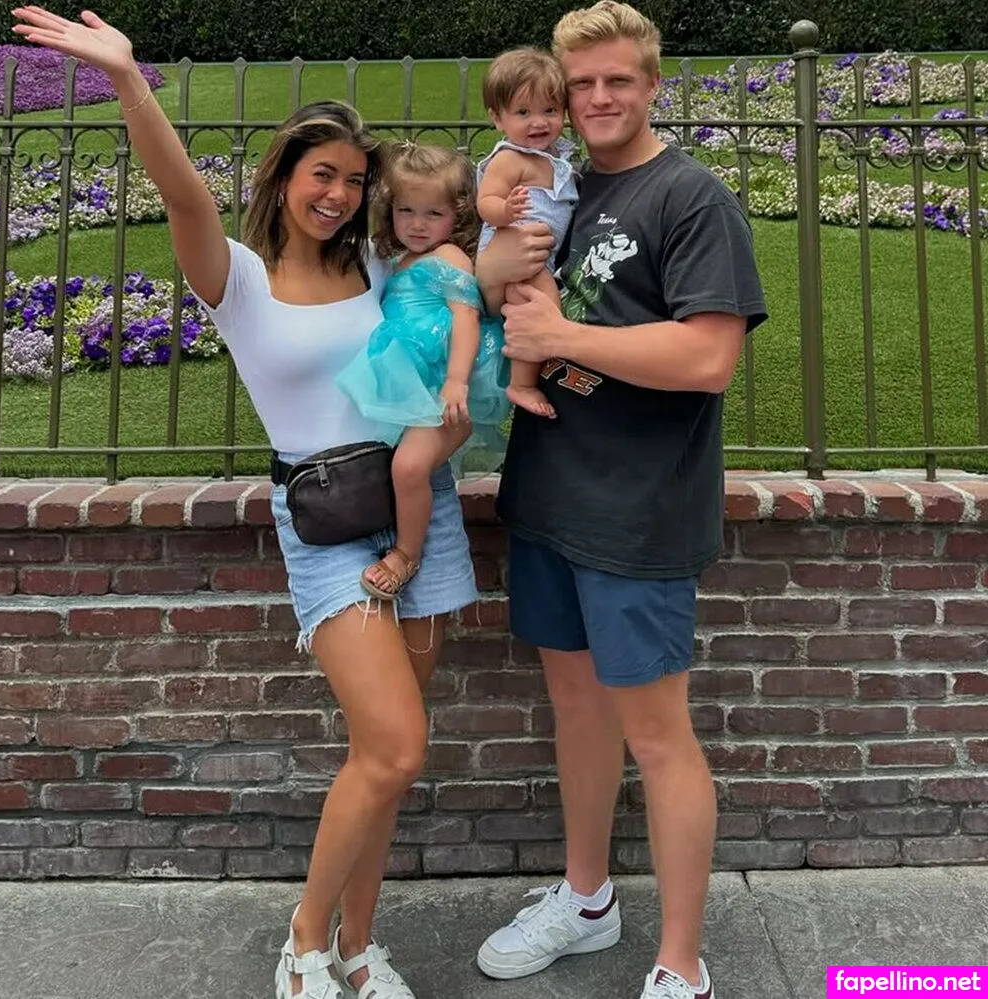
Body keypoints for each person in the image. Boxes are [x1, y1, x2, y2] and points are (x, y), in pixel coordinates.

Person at [11, 9, 478, 999]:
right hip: (326, 521)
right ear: (284, 174)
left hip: (417, 506)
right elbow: (181, 190)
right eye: (322, 174)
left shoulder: (381, 265)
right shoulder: (240, 279)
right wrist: (129, 80)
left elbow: (459, 288)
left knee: (383, 759)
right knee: (397, 744)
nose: (338, 195)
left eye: (353, 181)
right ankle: (304, 942)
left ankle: (360, 946)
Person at [474, 3, 768, 998]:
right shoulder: (557, 185)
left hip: (638, 509)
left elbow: (709, 357)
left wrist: (561, 338)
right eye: (582, 84)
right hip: (550, 493)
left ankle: (681, 964)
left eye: (618, 80)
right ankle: (587, 898)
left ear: (652, 85)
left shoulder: (690, 197)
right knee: (578, 711)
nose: (598, 98)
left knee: (657, 735)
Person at [336, 142, 510, 601]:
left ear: (458, 215)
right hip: (414, 384)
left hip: (443, 389)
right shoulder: (399, 260)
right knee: (395, 466)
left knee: (410, 466)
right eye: (406, 211)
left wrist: (456, 381)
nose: (417, 224)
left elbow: (467, 318)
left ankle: (406, 555)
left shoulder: (449, 257)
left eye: (433, 214)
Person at [475, 46, 578, 420]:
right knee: (543, 306)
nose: (538, 122)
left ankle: (534, 369)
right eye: (523, 113)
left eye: (549, 110)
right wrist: (505, 212)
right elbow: (485, 201)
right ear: (497, 118)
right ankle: (522, 382)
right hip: (511, 245)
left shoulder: (557, 158)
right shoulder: (509, 158)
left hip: (537, 253)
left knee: (530, 313)